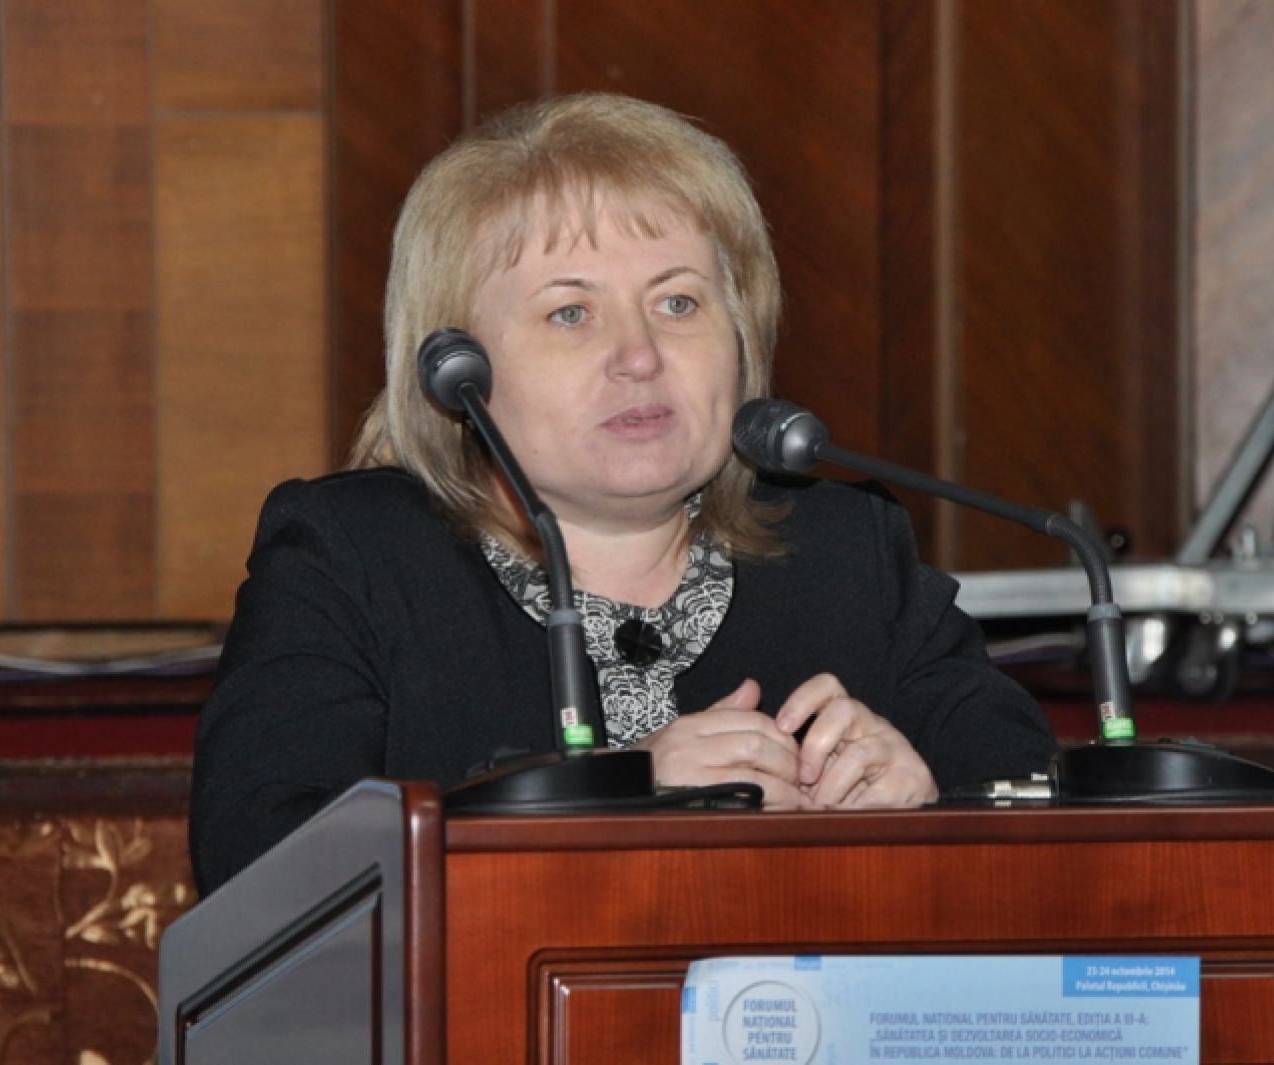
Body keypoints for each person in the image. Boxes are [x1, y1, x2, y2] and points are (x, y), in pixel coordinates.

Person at [189, 93, 1055, 894]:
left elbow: (1049, 818)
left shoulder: (848, 557)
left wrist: (934, 807)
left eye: (678, 303)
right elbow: (258, 865)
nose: (639, 356)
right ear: (457, 369)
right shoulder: (352, 559)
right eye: (571, 313)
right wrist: (612, 794)